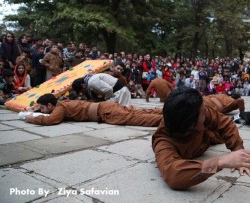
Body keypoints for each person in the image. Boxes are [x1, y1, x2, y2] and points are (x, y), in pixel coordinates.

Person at [152, 87, 250, 190]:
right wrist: (220, 162)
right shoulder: (163, 142)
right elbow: (174, 174)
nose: (206, 113)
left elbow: (225, 123)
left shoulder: (202, 112)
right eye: (203, 113)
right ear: (191, 125)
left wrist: (239, 152)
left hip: (209, 137)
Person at [24, 93, 162, 127]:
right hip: (105, 107)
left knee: (137, 119)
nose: (42, 111)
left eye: (42, 108)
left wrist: (31, 118)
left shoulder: (60, 107)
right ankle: (163, 111)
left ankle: (167, 119)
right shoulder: (62, 103)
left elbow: (52, 120)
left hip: (105, 112)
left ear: (49, 106)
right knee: (138, 113)